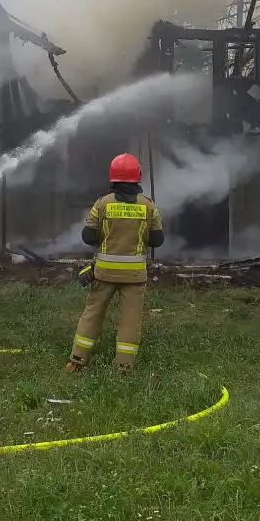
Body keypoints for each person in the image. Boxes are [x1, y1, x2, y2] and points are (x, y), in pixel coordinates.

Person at [68, 152, 164, 372]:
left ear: (112, 178)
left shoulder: (102, 204)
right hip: (134, 276)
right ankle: (123, 367)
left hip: (104, 273)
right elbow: (157, 240)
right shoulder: (148, 206)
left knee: (92, 314)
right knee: (131, 321)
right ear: (138, 177)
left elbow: (88, 236)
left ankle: (77, 360)